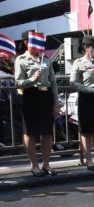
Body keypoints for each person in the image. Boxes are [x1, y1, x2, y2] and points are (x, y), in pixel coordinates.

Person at [14, 30, 61, 176]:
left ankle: (46, 164)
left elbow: (53, 82)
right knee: (30, 132)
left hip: (46, 96)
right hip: (31, 96)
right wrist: (32, 79)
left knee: (47, 132)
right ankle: (34, 165)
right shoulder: (21, 59)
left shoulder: (45, 59)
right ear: (26, 42)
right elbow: (18, 83)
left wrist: (56, 103)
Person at [70, 35, 94, 170]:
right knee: (86, 131)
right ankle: (88, 160)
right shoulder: (78, 63)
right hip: (86, 99)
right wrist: (90, 89)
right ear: (86, 47)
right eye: (93, 47)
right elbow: (73, 82)